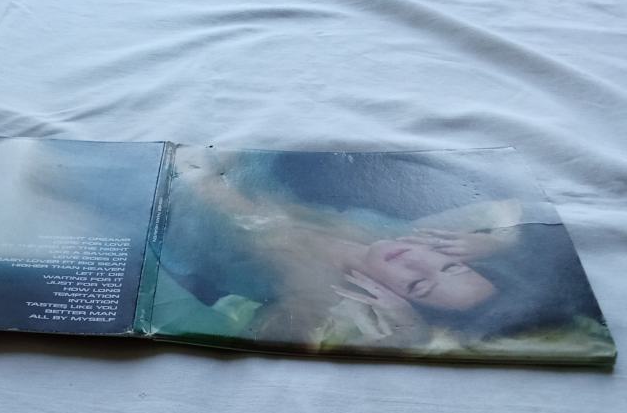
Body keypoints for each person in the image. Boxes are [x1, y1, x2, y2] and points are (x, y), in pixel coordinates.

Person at [155, 149, 608, 352]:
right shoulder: (419, 235)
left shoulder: (315, 295)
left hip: (173, 223)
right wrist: (500, 239)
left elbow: (255, 338)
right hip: (239, 173)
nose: (418, 260)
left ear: (393, 301)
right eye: (450, 266)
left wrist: (409, 336)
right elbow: (517, 205)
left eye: (418, 285)